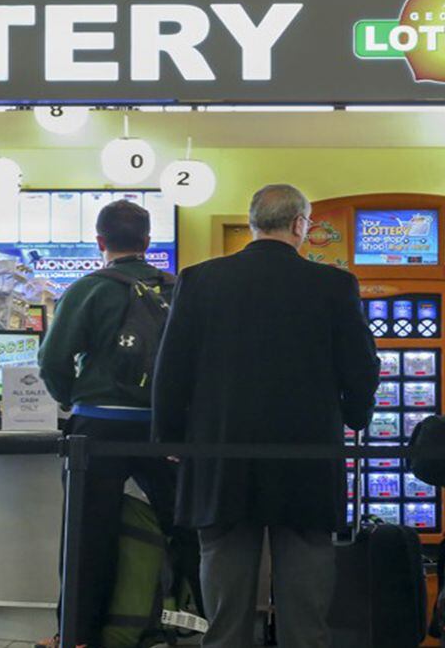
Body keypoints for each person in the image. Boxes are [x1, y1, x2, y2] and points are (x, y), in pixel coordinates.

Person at [153, 185, 380, 648]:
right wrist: (356, 416)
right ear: (299, 224)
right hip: (307, 456)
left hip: (221, 454)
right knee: (306, 592)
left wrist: (171, 437)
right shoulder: (333, 285)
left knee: (225, 584)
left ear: (253, 222)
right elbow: (361, 367)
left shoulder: (200, 280)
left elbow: (171, 368)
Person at [36, 199, 196, 648]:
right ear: (148, 241)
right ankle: (199, 621)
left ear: (100, 241)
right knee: (185, 525)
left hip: (99, 426)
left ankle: (78, 634)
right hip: (164, 427)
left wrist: (73, 398)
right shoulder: (179, 289)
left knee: (87, 533)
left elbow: (52, 359)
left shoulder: (88, 289)